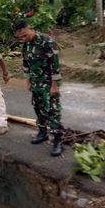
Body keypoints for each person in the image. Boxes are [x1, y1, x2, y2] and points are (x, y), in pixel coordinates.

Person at [14, 19, 64, 156]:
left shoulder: (46, 41)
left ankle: (58, 140)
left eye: (25, 35)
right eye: (21, 37)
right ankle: (43, 132)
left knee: (52, 110)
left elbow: (55, 64)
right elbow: (26, 63)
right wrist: (28, 81)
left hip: (48, 82)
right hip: (36, 82)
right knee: (38, 107)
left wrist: (54, 85)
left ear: (29, 28)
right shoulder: (26, 45)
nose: (24, 38)